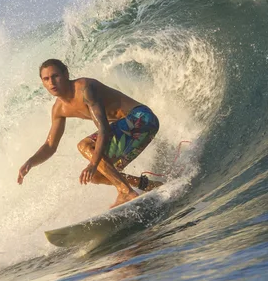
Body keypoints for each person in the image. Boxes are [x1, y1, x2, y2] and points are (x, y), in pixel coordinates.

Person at [17, 59, 162, 208]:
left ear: (66, 74)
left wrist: (92, 164)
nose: (51, 82)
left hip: (142, 118)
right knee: (98, 174)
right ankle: (149, 185)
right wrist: (31, 162)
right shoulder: (59, 109)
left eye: (55, 76)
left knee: (85, 146)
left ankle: (125, 191)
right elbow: (50, 145)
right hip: (134, 129)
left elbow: (104, 129)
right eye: (46, 79)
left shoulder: (85, 88)